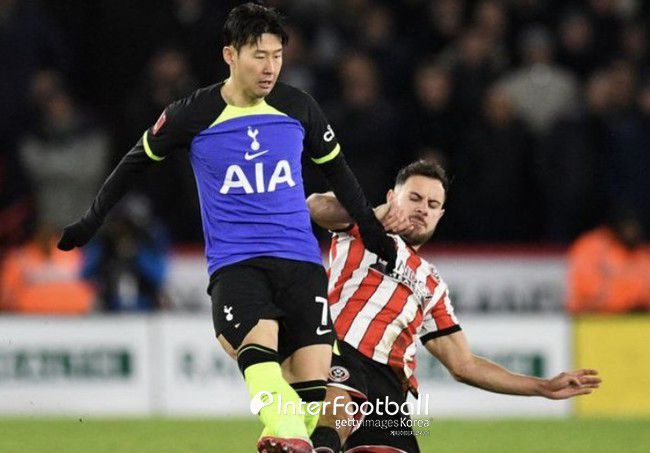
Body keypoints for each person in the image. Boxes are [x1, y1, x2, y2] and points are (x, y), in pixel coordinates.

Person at [56, 4, 395, 453]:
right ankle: (285, 430)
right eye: (259, 56)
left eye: (277, 56)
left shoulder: (298, 106)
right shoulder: (193, 113)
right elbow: (133, 163)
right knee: (261, 352)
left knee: (313, 395)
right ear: (230, 55)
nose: (270, 67)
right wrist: (90, 221)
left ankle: (288, 433)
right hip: (238, 264)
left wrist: (371, 230)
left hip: (301, 263)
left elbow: (339, 173)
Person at [307, 160, 601, 453]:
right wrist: (372, 214)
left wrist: (542, 387)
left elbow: (464, 365)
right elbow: (315, 205)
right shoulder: (361, 227)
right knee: (338, 410)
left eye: (432, 204)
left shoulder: (432, 284)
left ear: (440, 215)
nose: (423, 209)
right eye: (415, 198)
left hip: (388, 389)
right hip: (339, 349)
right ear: (392, 197)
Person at [567, 210, 650, 314]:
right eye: (628, 225)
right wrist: (628, 302)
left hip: (637, 319)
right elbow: (586, 291)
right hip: (592, 318)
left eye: (636, 226)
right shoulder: (593, 248)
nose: (631, 231)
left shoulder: (644, 253)